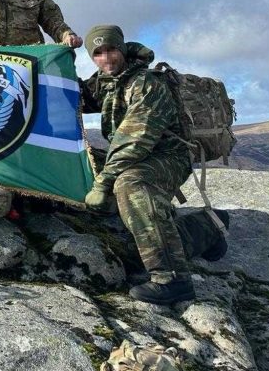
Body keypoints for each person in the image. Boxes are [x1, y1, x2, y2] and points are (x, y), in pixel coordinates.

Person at [80, 25, 228, 305]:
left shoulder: (147, 84)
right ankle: (206, 227)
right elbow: (75, 97)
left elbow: (134, 141)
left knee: (131, 185)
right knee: (88, 165)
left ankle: (172, 279)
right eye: (98, 53)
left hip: (168, 156)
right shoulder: (106, 81)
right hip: (139, 156)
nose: (106, 58)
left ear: (122, 49)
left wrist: (103, 183)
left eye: (111, 49)